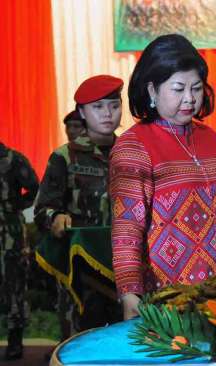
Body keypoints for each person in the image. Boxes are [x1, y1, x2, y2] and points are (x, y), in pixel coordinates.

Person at [111, 34, 216, 320]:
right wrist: (129, 292)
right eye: (179, 89)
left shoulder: (211, 139)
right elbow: (126, 229)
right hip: (169, 303)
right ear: (152, 91)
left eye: (196, 88)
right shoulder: (134, 146)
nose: (190, 99)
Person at [34, 75, 124, 336]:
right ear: (82, 112)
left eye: (114, 105)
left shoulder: (133, 152)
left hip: (126, 265)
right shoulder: (65, 155)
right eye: (98, 107)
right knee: (80, 340)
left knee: (127, 339)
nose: (108, 113)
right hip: (81, 271)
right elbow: (43, 208)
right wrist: (56, 217)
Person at [0, 142, 38, 360]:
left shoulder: (14, 159)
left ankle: (15, 340)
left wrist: (14, 206)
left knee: (14, 284)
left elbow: (34, 187)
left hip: (10, 230)